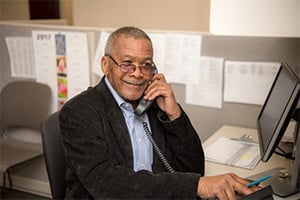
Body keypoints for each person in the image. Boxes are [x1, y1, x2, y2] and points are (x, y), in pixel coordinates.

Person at [59, 26, 258, 199]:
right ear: (105, 65)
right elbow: (107, 183)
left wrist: (174, 115)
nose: (137, 73)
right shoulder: (80, 111)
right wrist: (196, 185)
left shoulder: (152, 104)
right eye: (127, 63)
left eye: (146, 65)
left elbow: (194, 167)